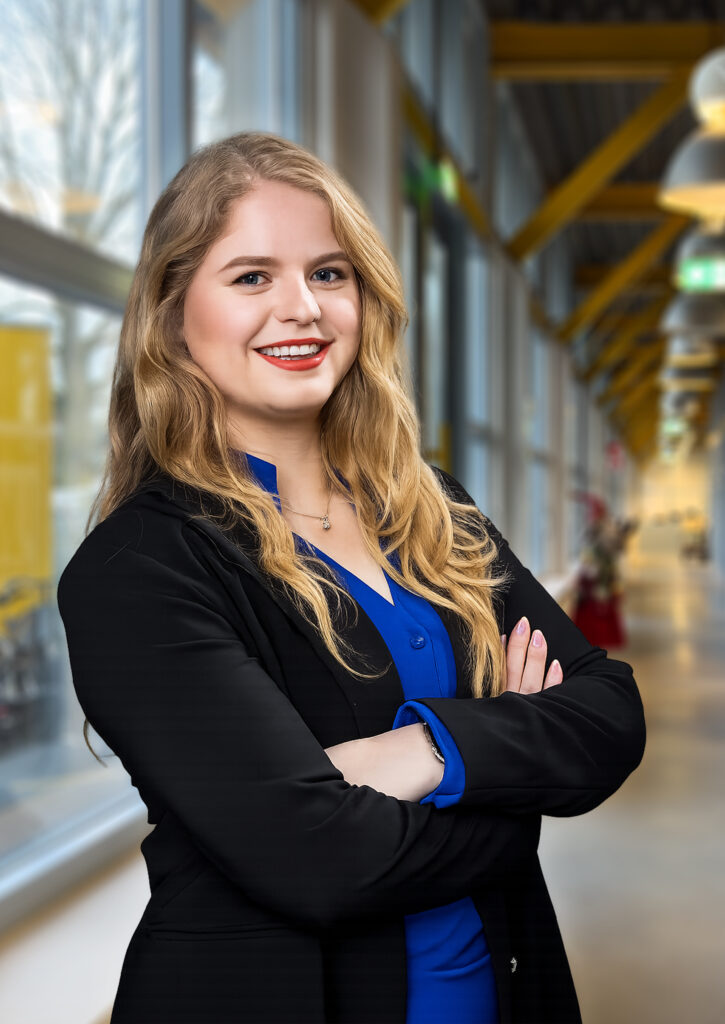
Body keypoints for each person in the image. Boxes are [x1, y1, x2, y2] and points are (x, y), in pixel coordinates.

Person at [56, 131, 647, 1024]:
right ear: (173, 315)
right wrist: (515, 776)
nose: (301, 308)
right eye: (251, 277)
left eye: (328, 273)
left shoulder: (431, 511)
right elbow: (322, 861)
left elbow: (610, 713)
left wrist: (421, 752)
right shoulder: (137, 568)